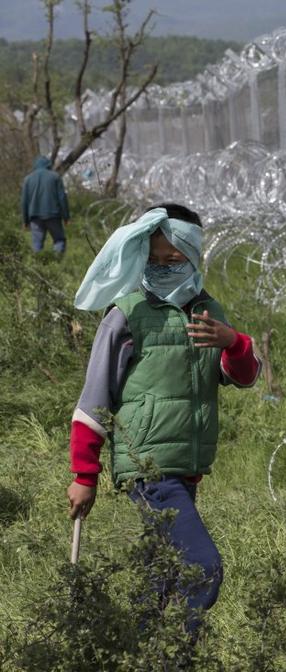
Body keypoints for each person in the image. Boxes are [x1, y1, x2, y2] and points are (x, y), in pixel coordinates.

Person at [66, 203, 260, 635]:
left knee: (162, 574)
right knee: (202, 566)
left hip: (186, 467)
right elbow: (94, 397)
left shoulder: (209, 311)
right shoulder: (127, 313)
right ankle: (176, 654)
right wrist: (84, 474)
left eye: (173, 260)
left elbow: (242, 377)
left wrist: (233, 342)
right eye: (154, 260)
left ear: (192, 257)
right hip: (148, 467)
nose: (162, 268)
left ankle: (137, 648)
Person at [21, 156, 70, 254]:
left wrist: (25, 221)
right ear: (48, 165)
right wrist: (66, 217)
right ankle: (57, 260)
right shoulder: (55, 177)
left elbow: (24, 201)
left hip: (35, 217)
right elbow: (62, 198)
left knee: (37, 244)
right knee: (59, 240)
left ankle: (38, 261)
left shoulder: (28, 179)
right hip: (53, 215)